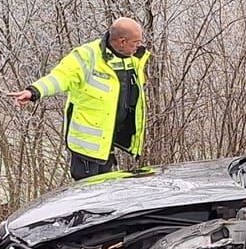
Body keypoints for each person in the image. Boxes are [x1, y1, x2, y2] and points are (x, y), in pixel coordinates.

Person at [9, 17, 152, 180]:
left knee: (106, 196)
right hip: (86, 148)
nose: (138, 46)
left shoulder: (133, 60)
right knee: (88, 198)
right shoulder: (87, 56)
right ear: (122, 41)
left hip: (108, 144)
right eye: (135, 42)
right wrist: (33, 91)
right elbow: (60, 77)